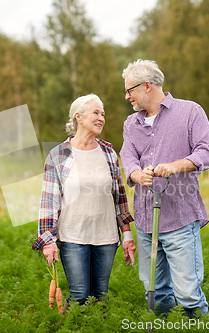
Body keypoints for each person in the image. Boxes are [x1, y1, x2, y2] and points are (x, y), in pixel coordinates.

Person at [119, 59, 209, 318]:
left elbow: (206, 151)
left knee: (187, 293)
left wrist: (174, 166)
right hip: (144, 221)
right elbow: (127, 155)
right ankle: (164, 324)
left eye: (130, 90)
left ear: (147, 86)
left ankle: (197, 324)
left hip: (179, 219)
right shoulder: (131, 123)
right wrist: (136, 174)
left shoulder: (190, 112)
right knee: (154, 289)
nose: (127, 96)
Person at [32, 94, 136, 311]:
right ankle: (71, 324)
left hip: (106, 236)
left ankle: (94, 326)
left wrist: (126, 235)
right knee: (79, 296)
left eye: (103, 114)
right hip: (73, 236)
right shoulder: (58, 154)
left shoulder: (108, 151)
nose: (101, 118)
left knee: (100, 296)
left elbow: (119, 197)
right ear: (78, 117)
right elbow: (49, 202)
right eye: (96, 113)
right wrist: (48, 240)